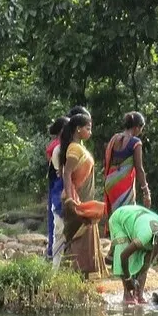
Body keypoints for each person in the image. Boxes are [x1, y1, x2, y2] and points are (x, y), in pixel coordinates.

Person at [59, 113, 108, 278]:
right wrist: (71, 199)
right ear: (78, 129)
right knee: (76, 237)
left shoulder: (79, 147)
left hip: (83, 197)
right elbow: (67, 174)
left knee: (85, 234)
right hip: (76, 199)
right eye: (88, 128)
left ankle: (85, 274)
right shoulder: (74, 148)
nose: (90, 132)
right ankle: (73, 274)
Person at [108, 205, 158, 304]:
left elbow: (145, 266)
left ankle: (139, 295)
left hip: (138, 219)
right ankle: (127, 295)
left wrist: (139, 292)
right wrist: (128, 280)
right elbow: (124, 256)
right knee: (124, 244)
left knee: (145, 260)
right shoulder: (145, 236)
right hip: (120, 218)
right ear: (157, 242)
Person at [103, 111, 150, 238]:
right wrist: (146, 191)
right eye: (141, 128)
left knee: (116, 217)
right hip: (123, 185)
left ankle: (115, 246)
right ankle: (122, 248)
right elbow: (139, 168)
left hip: (110, 183)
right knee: (127, 217)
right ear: (137, 127)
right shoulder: (136, 142)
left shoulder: (114, 139)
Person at [46, 116, 68, 266]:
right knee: (59, 226)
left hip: (57, 186)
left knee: (57, 225)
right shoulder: (59, 148)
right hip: (60, 187)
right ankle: (56, 261)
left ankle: (55, 257)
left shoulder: (60, 146)